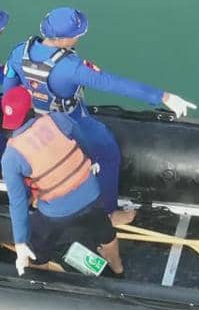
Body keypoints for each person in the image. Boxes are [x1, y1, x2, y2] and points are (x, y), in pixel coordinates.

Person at [3, 7, 196, 223]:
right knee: (107, 152)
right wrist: (163, 96)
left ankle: (31, 197)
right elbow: (111, 83)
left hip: (33, 122)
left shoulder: (20, 52)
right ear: (65, 39)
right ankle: (110, 212)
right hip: (70, 121)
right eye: (77, 35)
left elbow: (9, 91)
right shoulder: (71, 67)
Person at [2, 87, 124, 277]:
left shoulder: (10, 157)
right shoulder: (57, 119)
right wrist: (90, 162)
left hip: (56, 213)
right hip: (91, 193)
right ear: (31, 107)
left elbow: (17, 204)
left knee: (36, 248)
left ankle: (41, 277)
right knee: (106, 233)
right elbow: (86, 144)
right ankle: (118, 270)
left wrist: (20, 243)